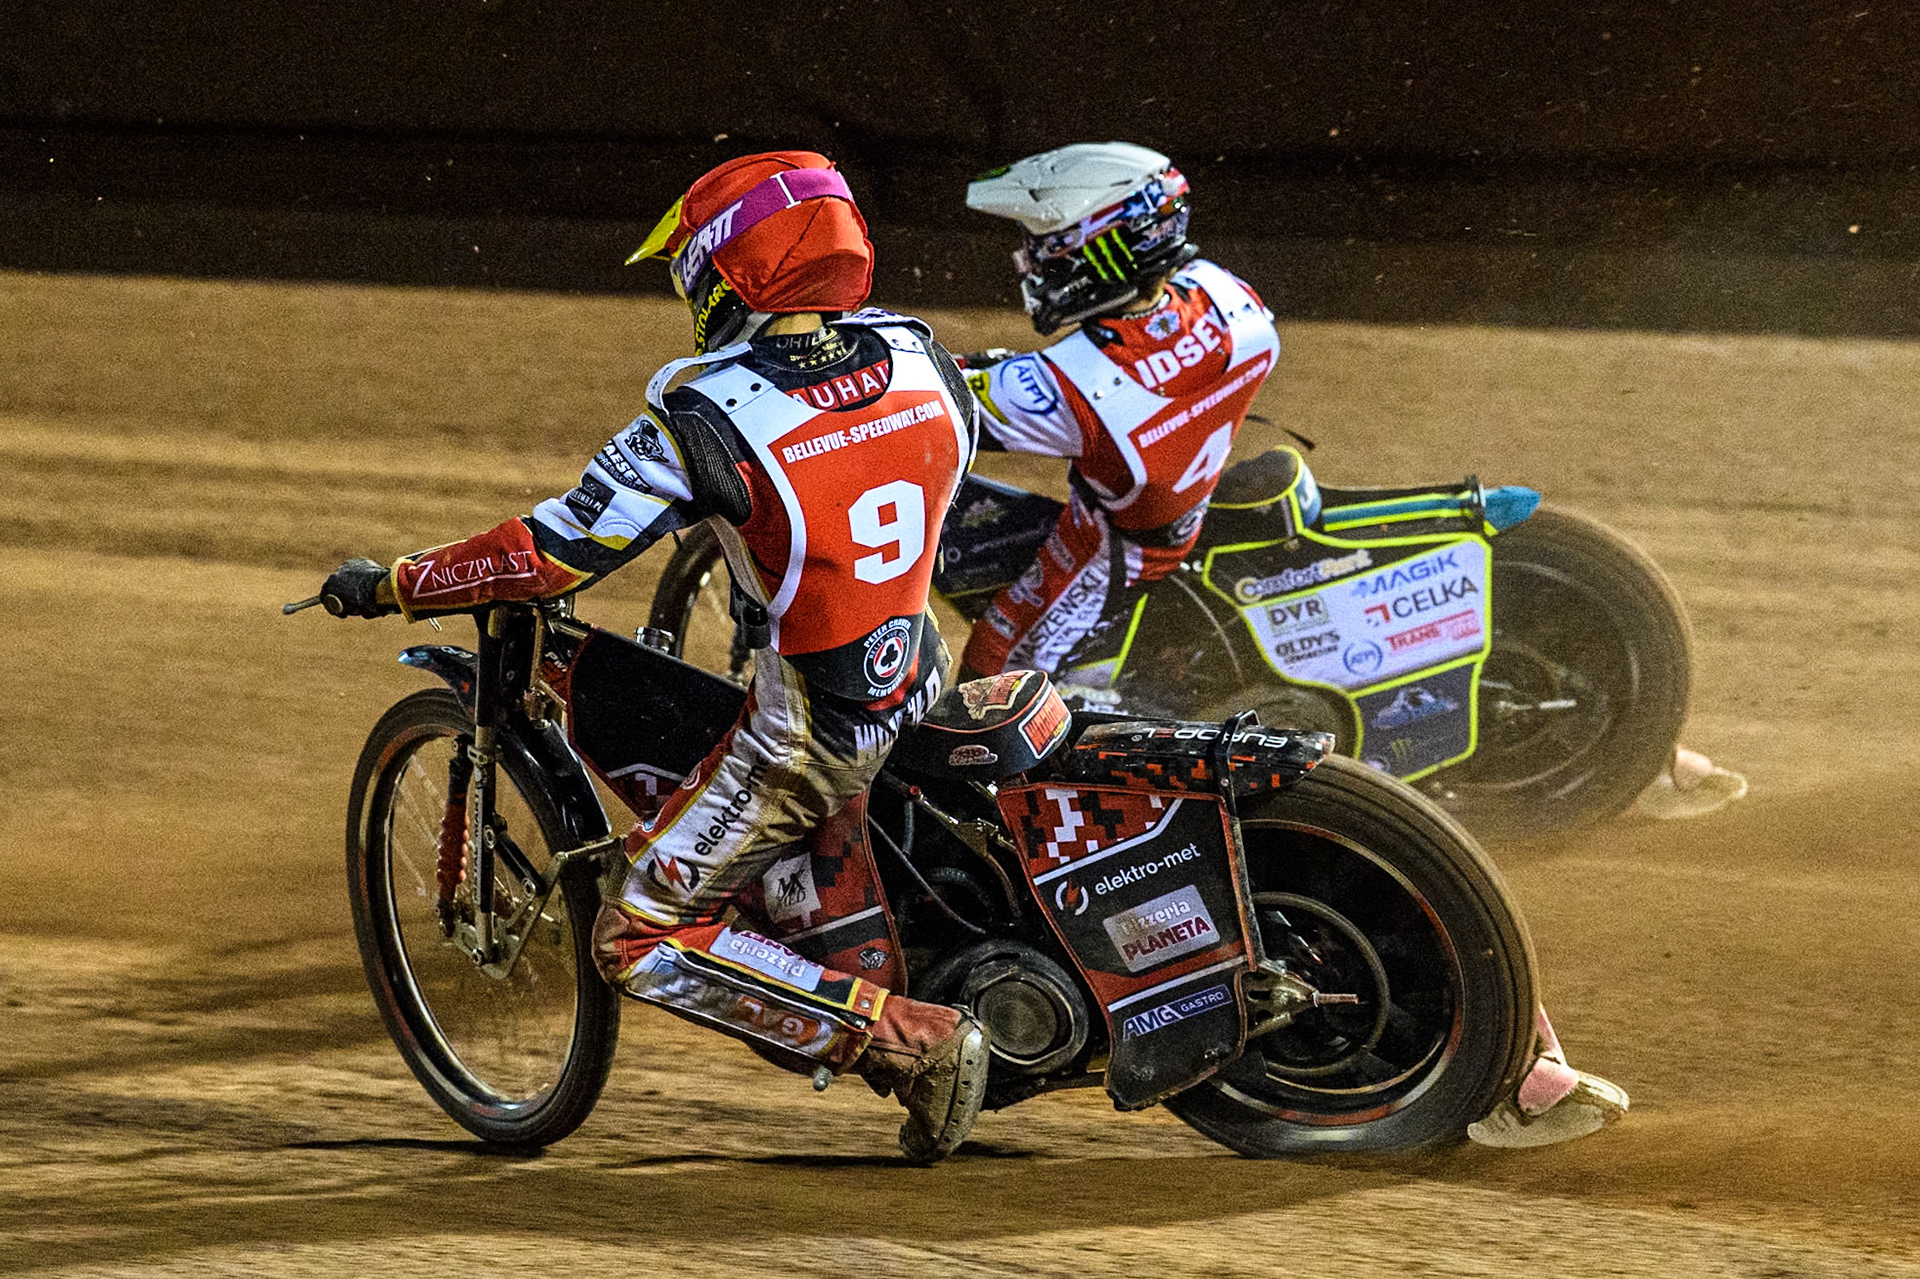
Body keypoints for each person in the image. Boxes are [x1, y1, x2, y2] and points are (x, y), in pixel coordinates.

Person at [316, 151, 991, 1164]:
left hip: (811, 731)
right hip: (920, 670)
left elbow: (546, 554)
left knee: (634, 936)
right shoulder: (918, 354)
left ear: (728, 272)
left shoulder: (707, 412)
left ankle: (907, 1042)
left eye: (695, 270)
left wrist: (396, 584)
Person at [958, 141, 1629, 1148]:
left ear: (1103, 246)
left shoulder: (1081, 380)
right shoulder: (1221, 294)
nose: (1028, 265)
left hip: (1113, 561)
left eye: (1046, 244)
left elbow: (934, 410)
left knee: (982, 722)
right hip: (1186, 517)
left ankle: (1045, 918)